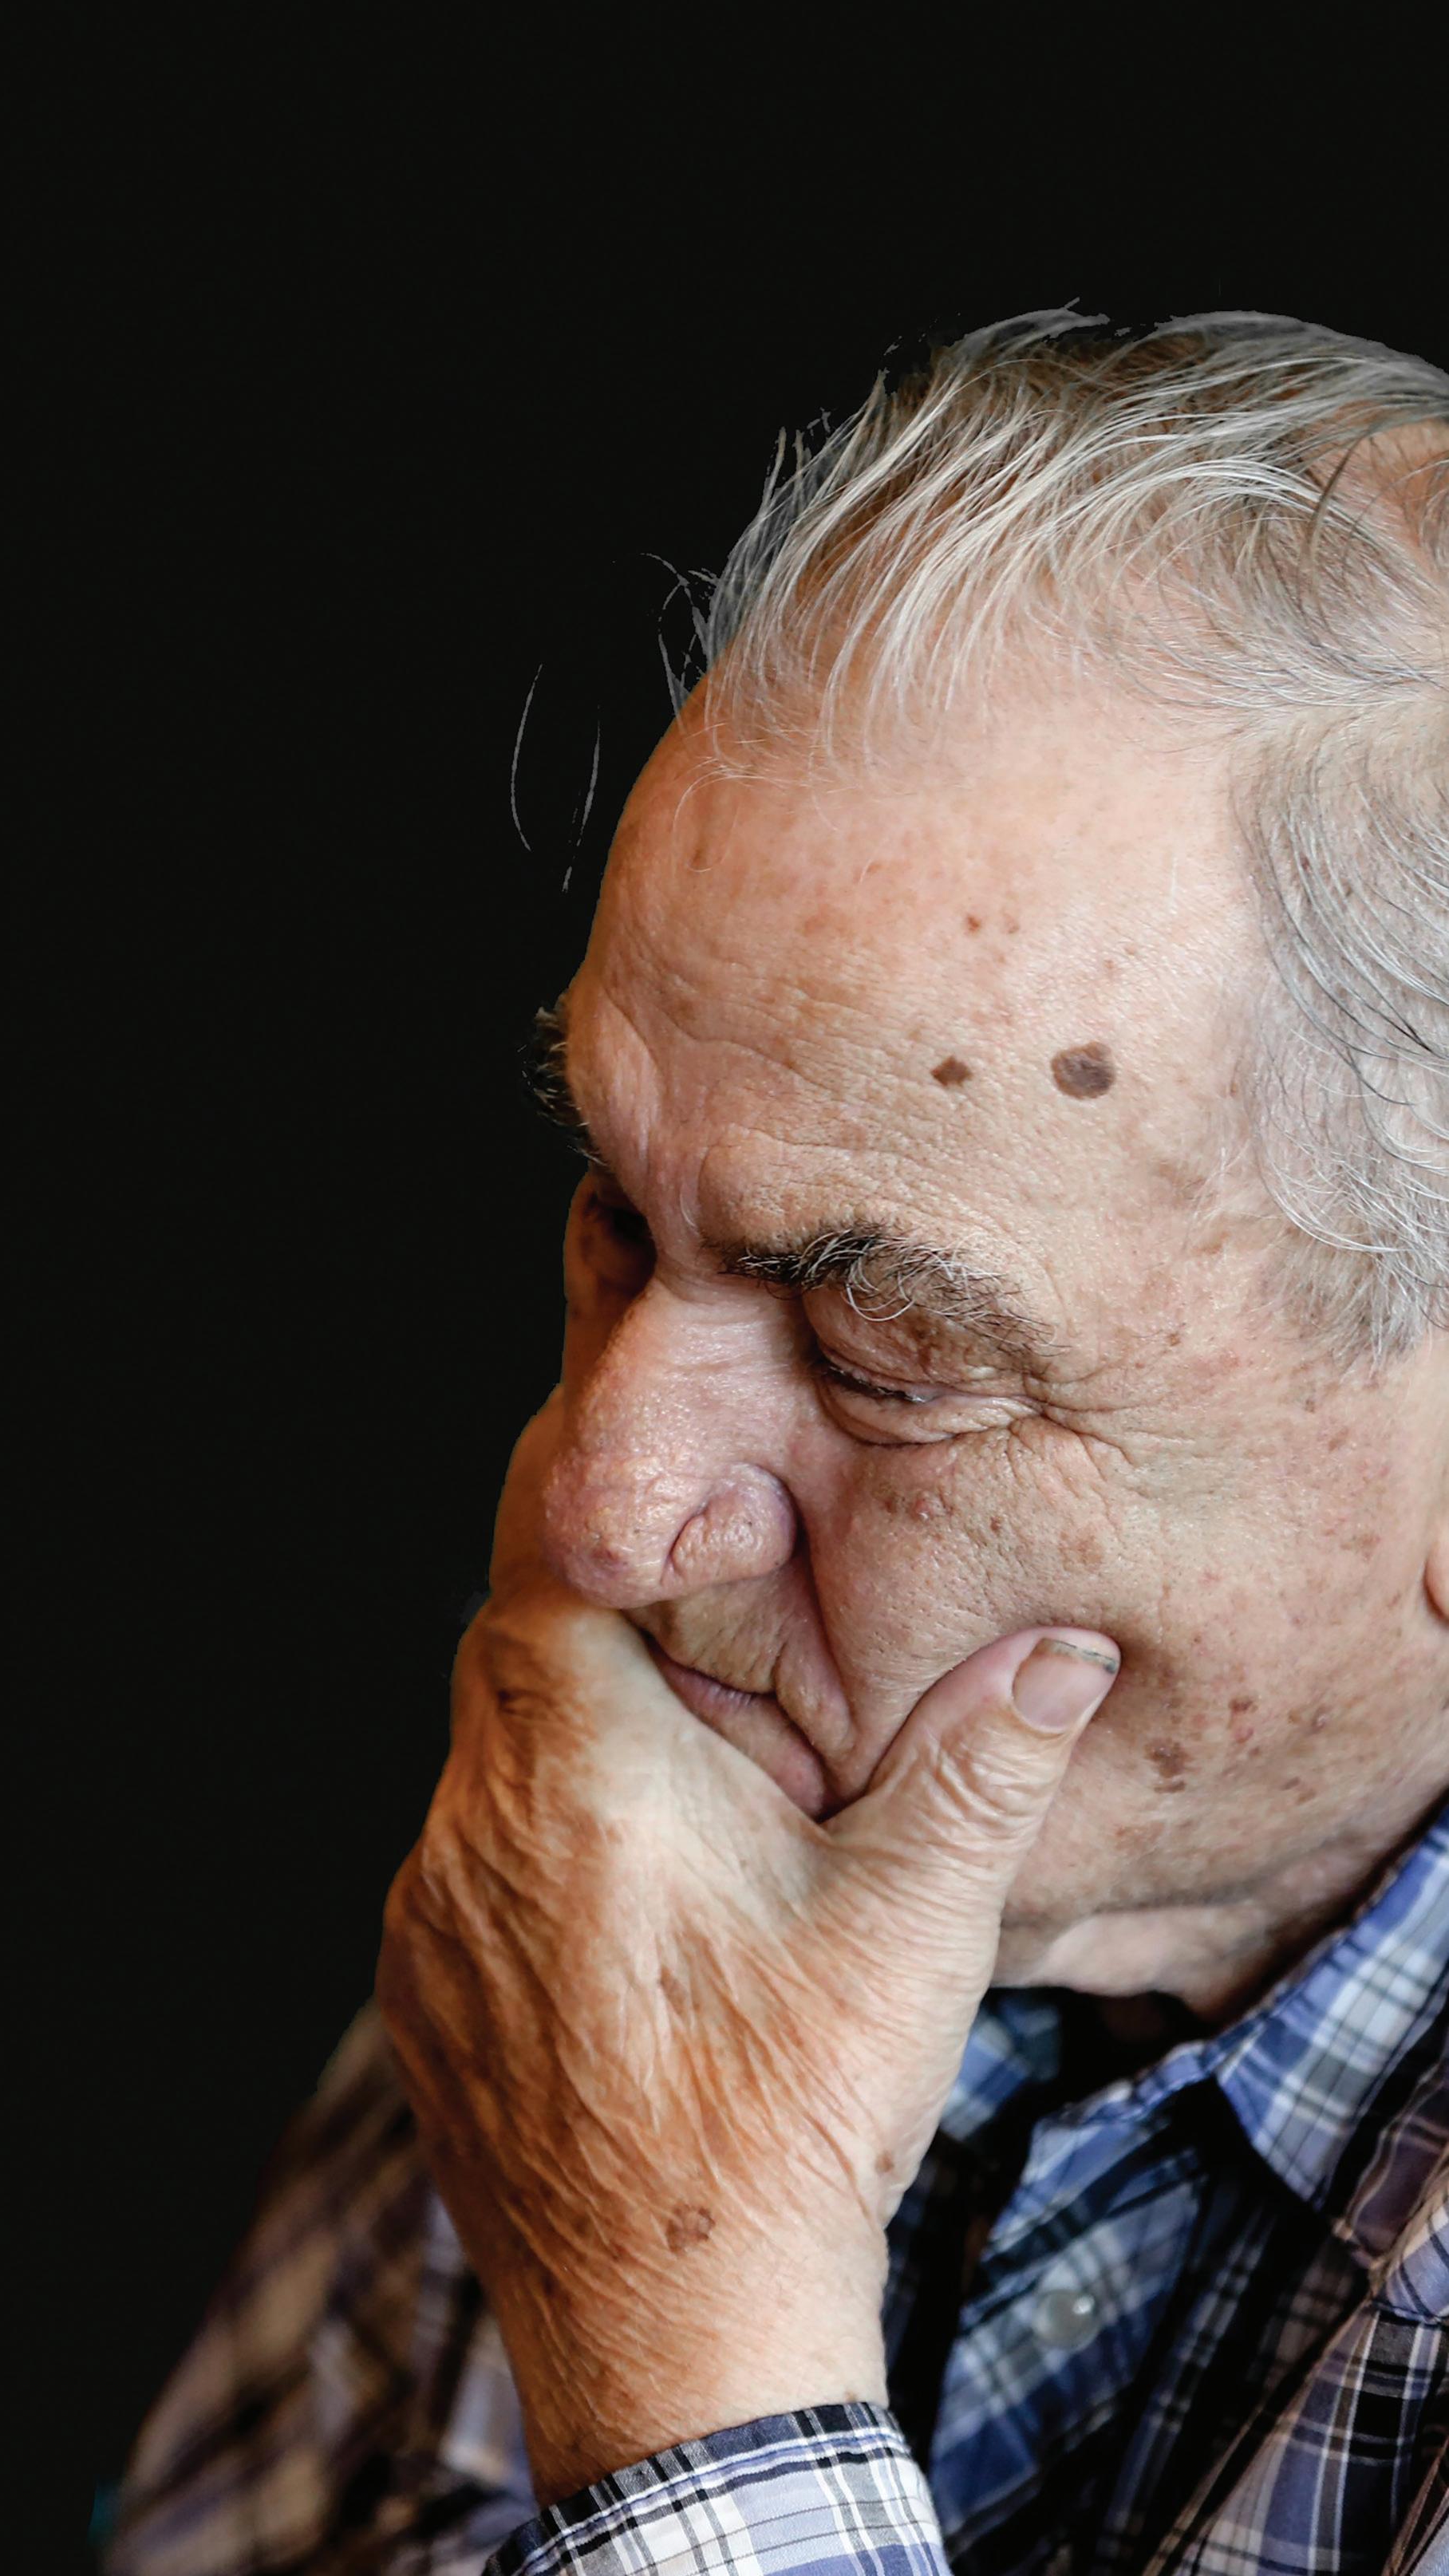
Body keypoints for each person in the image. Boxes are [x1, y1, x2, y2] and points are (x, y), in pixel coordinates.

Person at [109, 315, 1449, 2576]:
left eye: (886, 1357)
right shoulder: (658, 1837)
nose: (609, 1509)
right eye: (617, 1224)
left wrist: (679, 2373)